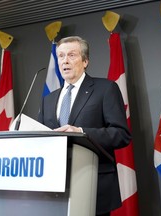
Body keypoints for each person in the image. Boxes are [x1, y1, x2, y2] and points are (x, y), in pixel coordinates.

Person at [38, 36, 131, 216]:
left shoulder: (105, 89)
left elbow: (121, 134)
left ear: (85, 61)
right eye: (61, 56)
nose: (65, 61)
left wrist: (81, 132)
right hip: (55, 187)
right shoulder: (48, 100)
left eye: (71, 55)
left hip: (93, 184)